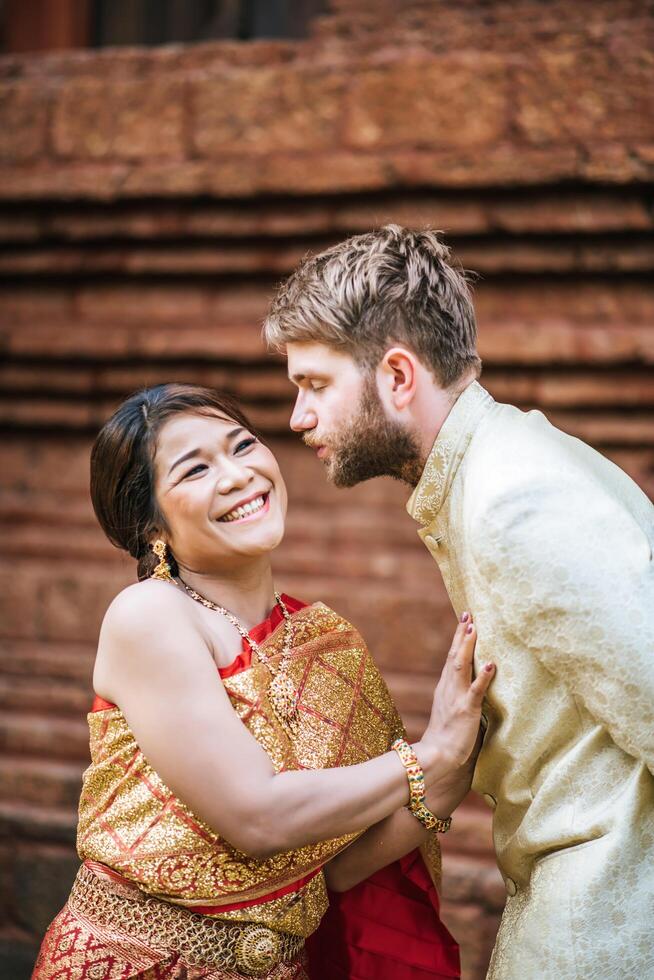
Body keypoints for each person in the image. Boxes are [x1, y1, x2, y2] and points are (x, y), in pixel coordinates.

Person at [263, 225, 654, 980]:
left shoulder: (514, 497)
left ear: (398, 376)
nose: (297, 417)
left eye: (314, 384)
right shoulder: (490, 475)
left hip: (611, 918)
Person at [32, 382, 495, 980]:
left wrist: (462, 748)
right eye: (195, 469)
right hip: (133, 964)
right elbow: (259, 818)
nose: (236, 475)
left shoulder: (325, 639)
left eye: (243, 446)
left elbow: (336, 868)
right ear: (151, 524)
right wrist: (429, 757)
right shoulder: (149, 616)